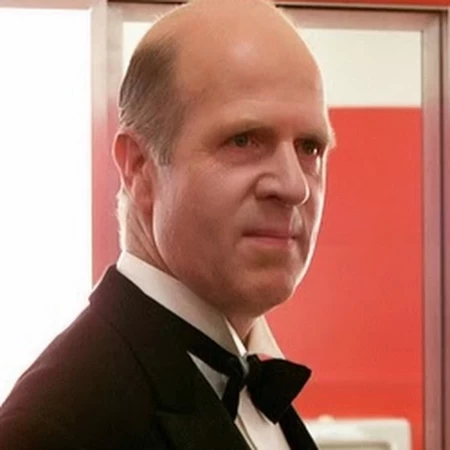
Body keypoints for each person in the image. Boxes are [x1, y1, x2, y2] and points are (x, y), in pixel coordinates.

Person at [0, 0, 335, 448]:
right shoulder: (53, 428)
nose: (294, 187)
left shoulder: (248, 386)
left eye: (310, 147)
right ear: (139, 168)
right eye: (243, 140)